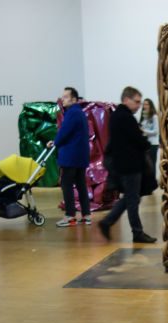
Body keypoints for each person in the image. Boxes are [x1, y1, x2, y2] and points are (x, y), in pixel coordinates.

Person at [100, 86, 156, 244]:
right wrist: (144, 141)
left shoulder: (119, 116)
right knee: (132, 200)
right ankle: (135, 232)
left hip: (126, 165)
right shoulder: (125, 117)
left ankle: (108, 222)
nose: (139, 105)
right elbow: (138, 141)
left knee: (132, 198)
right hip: (130, 166)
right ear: (126, 99)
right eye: (136, 102)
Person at [47, 87, 94, 230]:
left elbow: (64, 132)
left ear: (74, 99)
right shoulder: (80, 113)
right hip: (80, 156)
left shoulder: (72, 113)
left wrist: (54, 142)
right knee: (80, 185)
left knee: (66, 185)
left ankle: (70, 215)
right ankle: (86, 215)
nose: (63, 99)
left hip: (70, 156)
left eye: (66, 97)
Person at [140, 98, 159, 176]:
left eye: (147, 104)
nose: (145, 106)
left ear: (151, 105)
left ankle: (153, 180)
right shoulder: (143, 117)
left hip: (153, 143)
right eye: (144, 104)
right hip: (145, 143)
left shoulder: (154, 117)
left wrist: (144, 131)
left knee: (152, 163)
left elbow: (155, 131)